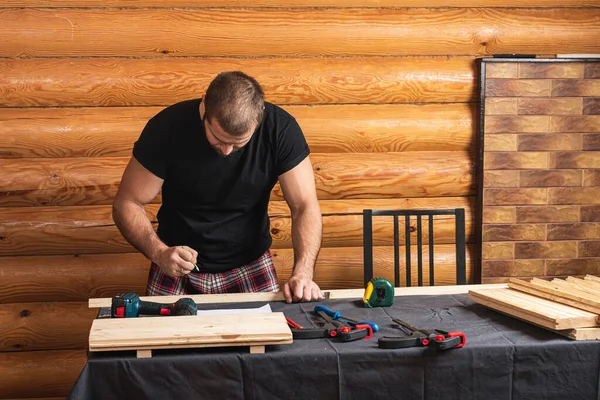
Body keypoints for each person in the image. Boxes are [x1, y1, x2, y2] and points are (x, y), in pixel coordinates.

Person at [112, 71, 324, 303]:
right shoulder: (166, 128)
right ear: (204, 106)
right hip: (175, 263)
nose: (226, 151)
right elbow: (128, 202)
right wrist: (159, 253)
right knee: (162, 339)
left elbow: (304, 206)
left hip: (251, 262)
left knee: (268, 339)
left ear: (259, 117)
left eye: (238, 143)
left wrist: (303, 273)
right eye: (219, 139)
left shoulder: (281, 129)